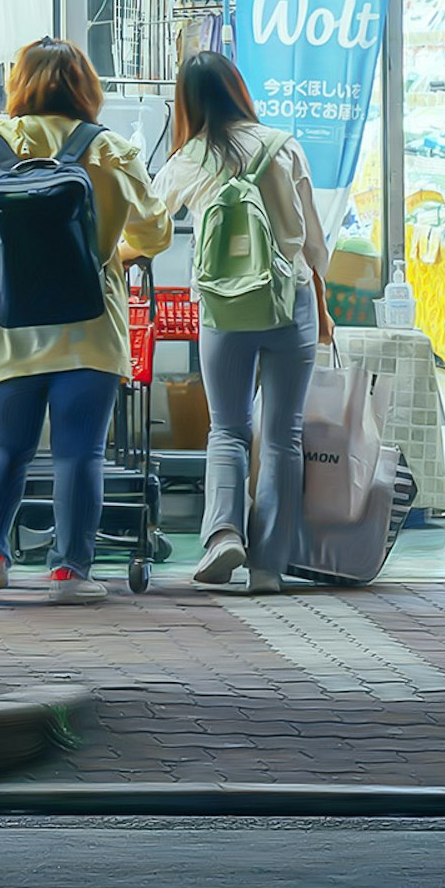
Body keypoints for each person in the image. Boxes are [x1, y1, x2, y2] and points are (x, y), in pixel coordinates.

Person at [0, 41, 170, 601]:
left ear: (21, 84)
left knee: (3, 445)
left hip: (11, 326)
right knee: (80, 453)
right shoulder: (110, 149)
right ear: (86, 87)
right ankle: (69, 573)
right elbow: (154, 234)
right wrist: (115, 243)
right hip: (91, 327)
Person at [146, 43, 334, 593]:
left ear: (187, 103)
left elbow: (152, 226)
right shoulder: (283, 147)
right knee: (282, 435)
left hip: (225, 306)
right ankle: (269, 565)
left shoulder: (188, 159)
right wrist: (321, 309)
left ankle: (223, 532)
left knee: (227, 428)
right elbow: (314, 245)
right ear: (238, 90)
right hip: (290, 299)